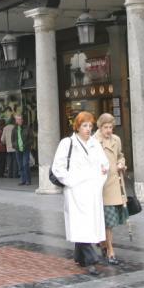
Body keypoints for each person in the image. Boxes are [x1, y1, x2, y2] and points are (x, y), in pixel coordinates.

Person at [51, 111, 109, 276]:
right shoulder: (67, 143)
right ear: (77, 126)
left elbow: (103, 163)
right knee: (81, 224)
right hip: (76, 192)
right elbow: (58, 167)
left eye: (90, 125)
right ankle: (91, 260)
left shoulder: (95, 144)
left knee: (88, 224)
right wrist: (72, 182)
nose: (88, 129)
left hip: (92, 191)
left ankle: (79, 256)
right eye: (85, 125)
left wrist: (100, 177)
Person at [94, 113, 127, 264]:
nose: (108, 130)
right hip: (101, 186)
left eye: (110, 127)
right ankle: (110, 251)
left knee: (110, 221)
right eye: (105, 127)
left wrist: (121, 163)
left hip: (115, 184)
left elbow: (120, 155)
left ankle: (104, 244)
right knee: (107, 221)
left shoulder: (116, 139)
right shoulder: (94, 141)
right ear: (100, 127)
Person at [9, 114, 34, 185]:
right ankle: (23, 180)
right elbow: (12, 139)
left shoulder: (27, 128)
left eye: (20, 119)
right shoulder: (14, 129)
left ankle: (28, 180)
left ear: (22, 120)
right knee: (20, 165)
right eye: (17, 119)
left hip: (26, 149)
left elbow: (31, 138)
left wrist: (27, 144)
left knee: (25, 164)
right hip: (18, 149)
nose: (18, 121)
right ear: (16, 120)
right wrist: (15, 145)